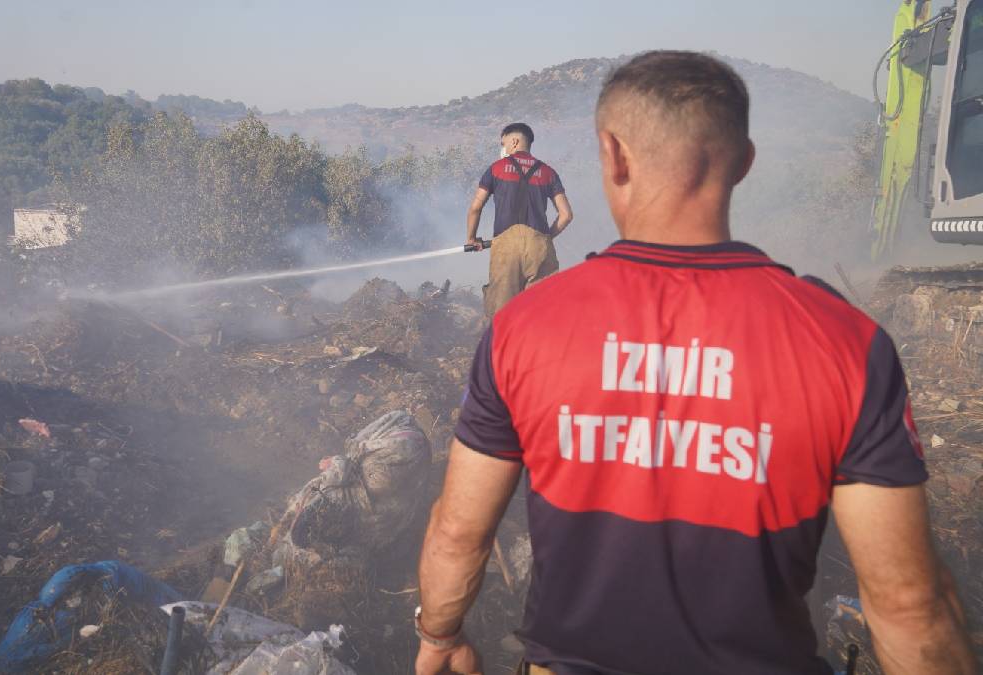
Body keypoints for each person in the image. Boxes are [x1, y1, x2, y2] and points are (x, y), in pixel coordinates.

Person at [416, 51, 977, 675]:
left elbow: (458, 532)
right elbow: (910, 606)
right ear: (744, 162)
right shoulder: (845, 340)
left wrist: (439, 634)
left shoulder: (521, 328)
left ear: (613, 157)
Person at [466, 122, 573, 318]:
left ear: (514, 141)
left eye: (503, 143)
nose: (503, 148)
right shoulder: (548, 172)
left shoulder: (496, 169)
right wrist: (545, 238)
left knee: (502, 314)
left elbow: (475, 208)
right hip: (540, 248)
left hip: (506, 248)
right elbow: (566, 215)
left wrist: (472, 239)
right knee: (541, 314)